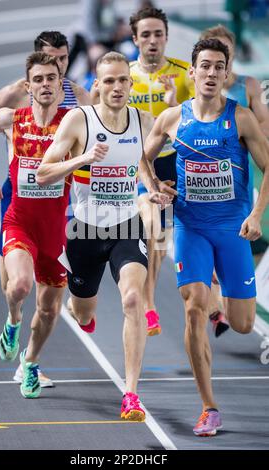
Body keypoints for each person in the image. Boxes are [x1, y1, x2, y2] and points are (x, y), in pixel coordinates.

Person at [36, 51, 174, 420]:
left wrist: (152, 188)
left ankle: (131, 395)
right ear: (97, 85)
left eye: (121, 80)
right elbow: (44, 173)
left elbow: (142, 165)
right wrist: (80, 160)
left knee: (133, 301)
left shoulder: (142, 120)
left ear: (131, 84)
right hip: (84, 229)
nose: (115, 87)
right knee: (83, 314)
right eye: (108, 80)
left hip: (127, 225)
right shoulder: (79, 121)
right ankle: (80, 309)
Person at [144, 38, 269, 436]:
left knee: (244, 324)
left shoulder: (242, 118)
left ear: (227, 73)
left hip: (233, 230)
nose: (212, 73)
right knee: (193, 305)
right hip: (191, 226)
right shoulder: (172, 119)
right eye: (205, 66)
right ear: (192, 72)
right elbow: (142, 161)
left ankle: (222, 304)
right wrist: (154, 187)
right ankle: (209, 407)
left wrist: (255, 214)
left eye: (220, 67)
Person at [0, 31, 91, 387]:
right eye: (39, 78)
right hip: (18, 214)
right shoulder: (12, 112)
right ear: (29, 84)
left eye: (53, 76)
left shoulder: (76, 116)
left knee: (50, 308)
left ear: (61, 77)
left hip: (57, 224)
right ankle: (12, 321)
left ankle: (31, 362)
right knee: (18, 286)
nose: (47, 83)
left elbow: (109, 136)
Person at [128, 7, 195, 335]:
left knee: (163, 239)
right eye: (146, 34)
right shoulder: (122, 77)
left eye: (158, 34)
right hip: (137, 164)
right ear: (135, 39)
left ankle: (208, 306)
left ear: (167, 37)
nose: (152, 40)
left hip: (173, 163)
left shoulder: (186, 74)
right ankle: (149, 304)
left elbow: (200, 120)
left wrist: (172, 105)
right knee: (152, 226)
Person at [200, 24, 269, 332]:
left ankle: (230, 298)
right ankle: (218, 305)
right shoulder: (198, 88)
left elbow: (264, 127)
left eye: (225, 52)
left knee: (247, 241)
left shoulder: (248, 85)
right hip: (204, 184)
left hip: (240, 179)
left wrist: (240, 129)